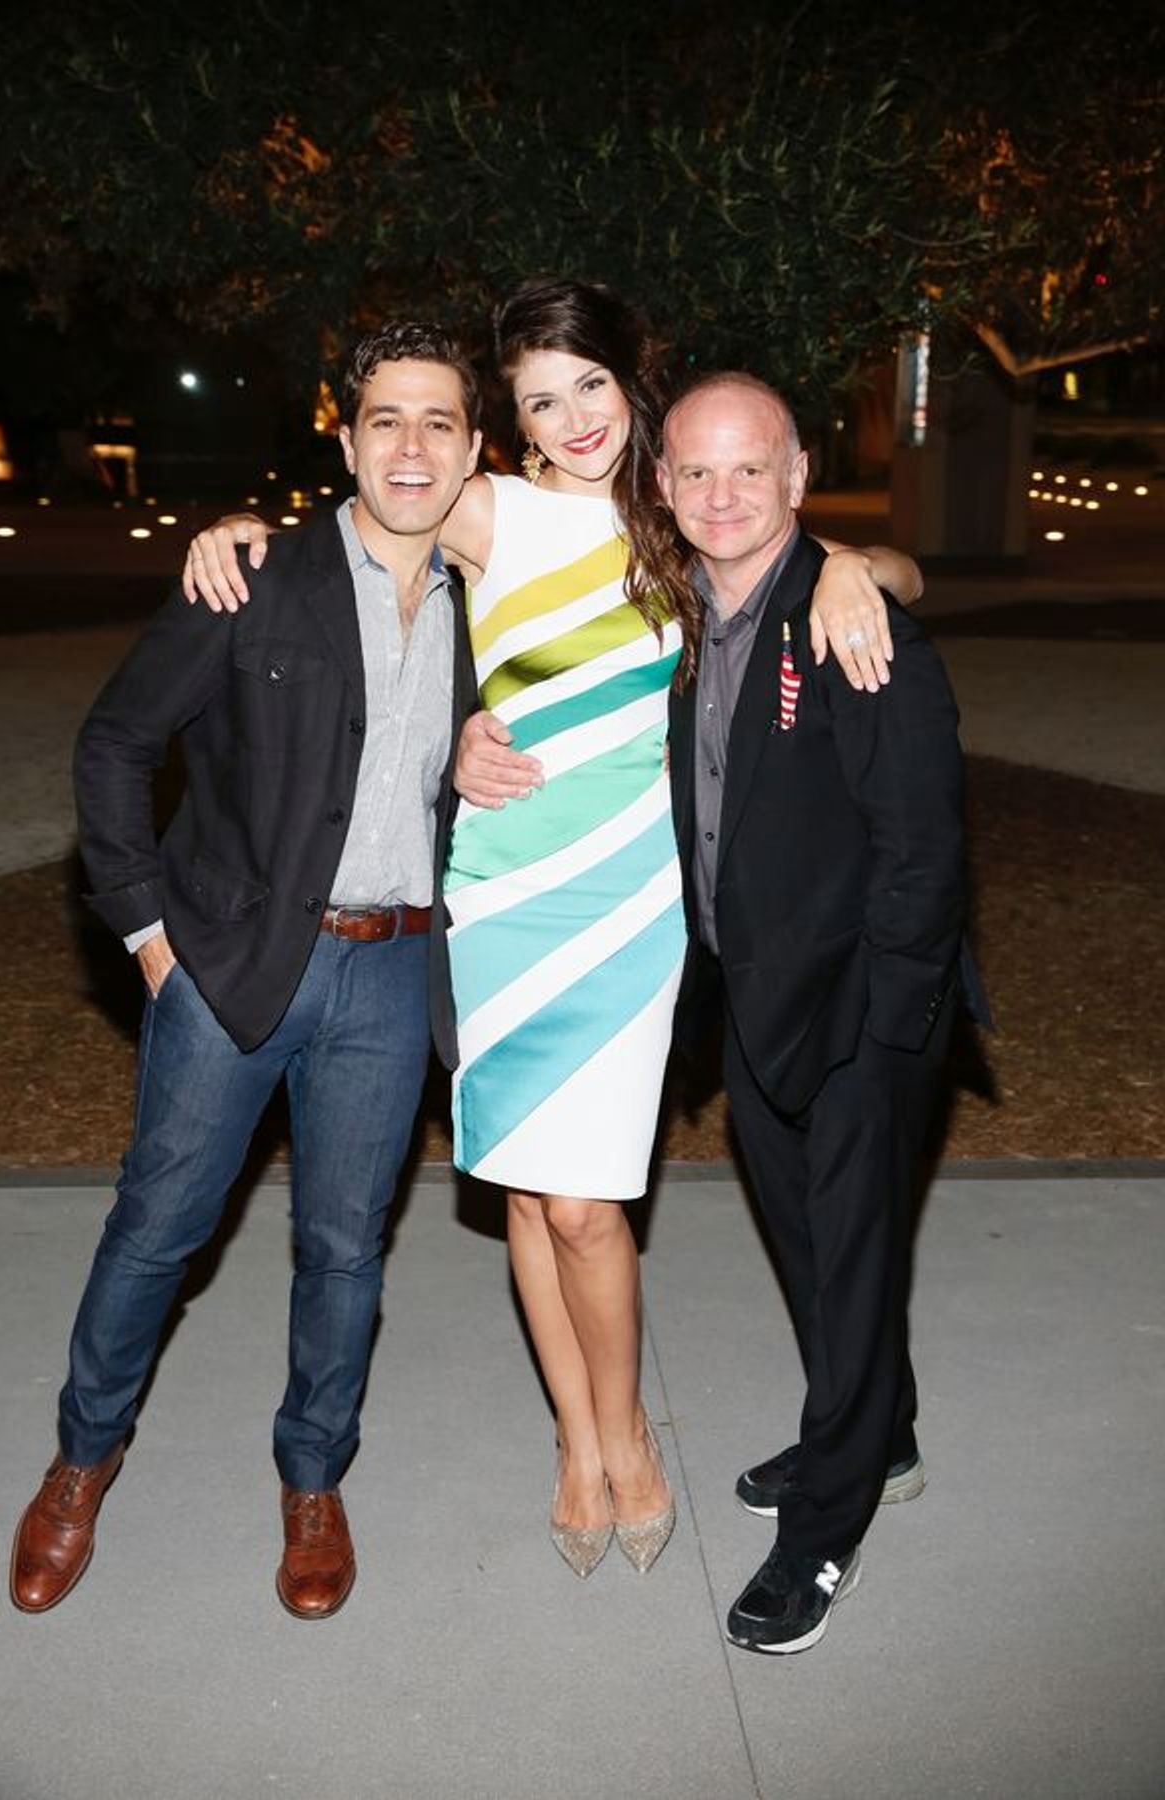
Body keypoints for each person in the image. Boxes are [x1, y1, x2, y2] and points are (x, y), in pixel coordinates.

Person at [183, 278, 922, 1579]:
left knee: (587, 1206)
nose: (573, 417)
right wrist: (243, 526)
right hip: (504, 898)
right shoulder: (491, 511)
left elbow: (844, 565)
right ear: (511, 428)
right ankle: (581, 1442)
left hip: (632, 907)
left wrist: (865, 564)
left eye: (589, 386)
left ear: (627, 385)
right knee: (529, 1188)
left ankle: (629, 1425)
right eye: (539, 400)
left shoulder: (684, 522)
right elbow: (368, 507)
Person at [9, 323, 482, 1620]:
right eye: (387, 417)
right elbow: (114, 744)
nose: (412, 445)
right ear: (345, 439)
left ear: (476, 450)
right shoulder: (256, 576)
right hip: (226, 967)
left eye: (440, 421)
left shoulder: (495, 603)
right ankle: (80, 1462)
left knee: (344, 1250)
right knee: (158, 1229)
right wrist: (150, 939)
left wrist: (864, 568)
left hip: (392, 976)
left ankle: (314, 1479)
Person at [655, 372, 987, 1653]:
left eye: (752, 470)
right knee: (800, 1232)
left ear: (798, 480)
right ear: (667, 486)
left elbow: (923, 849)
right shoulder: (678, 615)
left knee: (850, 1259)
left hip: (861, 1006)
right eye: (696, 471)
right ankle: (878, 1427)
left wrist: (892, 1031)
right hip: (753, 989)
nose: (723, 495)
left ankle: (827, 1525)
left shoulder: (856, 624)